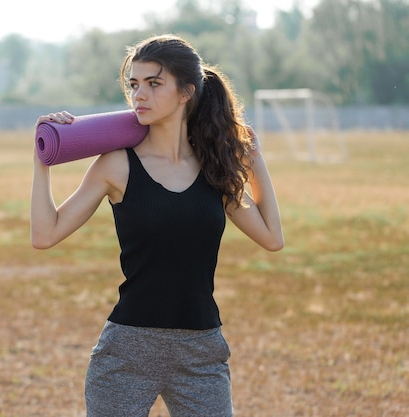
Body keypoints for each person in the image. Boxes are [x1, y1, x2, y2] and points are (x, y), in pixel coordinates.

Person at [30, 34, 284, 417]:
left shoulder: (215, 168)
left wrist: (254, 160)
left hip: (201, 352)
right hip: (127, 353)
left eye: (153, 83)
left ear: (186, 92)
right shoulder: (116, 164)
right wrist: (42, 162)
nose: (139, 95)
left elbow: (272, 238)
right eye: (133, 85)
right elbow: (44, 235)